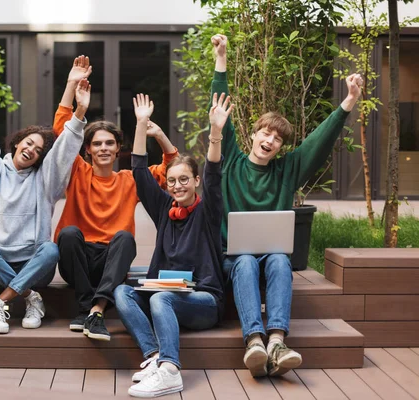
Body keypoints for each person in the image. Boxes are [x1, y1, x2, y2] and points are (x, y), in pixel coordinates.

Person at [210, 34, 363, 377]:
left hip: (272, 255)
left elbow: (318, 142)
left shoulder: (286, 170)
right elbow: (219, 111)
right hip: (233, 257)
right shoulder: (231, 161)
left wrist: (349, 101)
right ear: (253, 134)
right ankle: (254, 342)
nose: (270, 141)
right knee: (246, 261)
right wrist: (221, 58)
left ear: (280, 147)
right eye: (265, 133)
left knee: (279, 258)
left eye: (277, 139)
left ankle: (276, 340)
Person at [52, 56, 180, 342]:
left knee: (124, 237)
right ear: (87, 150)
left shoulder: (130, 179)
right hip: (78, 261)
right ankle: (88, 306)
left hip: (112, 263)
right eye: (97, 143)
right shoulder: (77, 171)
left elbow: (174, 169)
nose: (103, 148)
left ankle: (94, 310)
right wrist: (72, 85)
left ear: (119, 148)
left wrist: (157, 134)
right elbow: (61, 131)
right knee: (70, 233)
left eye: (109, 143)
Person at [113, 93, 229, 398]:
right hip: (164, 295)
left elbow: (215, 175)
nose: (177, 186)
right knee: (122, 292)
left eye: (184, 180)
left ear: (195, 181)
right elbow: (139, 172)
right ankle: (154, 357)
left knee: (160, 299)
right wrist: (140, 125)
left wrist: (215, 134)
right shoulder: (165, 209)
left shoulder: (208, 212)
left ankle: (171, 371)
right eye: (172, 181)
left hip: (203, 301)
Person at [0, 58, 91, 333]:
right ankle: (30, 298)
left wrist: (79, 112)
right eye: (29, 143)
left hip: (34, 263)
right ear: (18, 141)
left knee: (51, 249)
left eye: (38, 150)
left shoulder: (45, 181)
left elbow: (64, 152)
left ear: (40, 159)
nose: (32, 149)